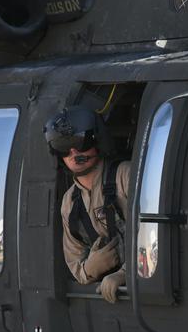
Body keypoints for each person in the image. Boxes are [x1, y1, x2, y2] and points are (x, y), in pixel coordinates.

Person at [44, 105, 130, 303]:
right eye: (64, 145)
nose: (74, 152)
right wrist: (91, 268)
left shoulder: (125, 176)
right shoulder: (69, 202)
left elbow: (153, 235)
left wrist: (124, 273)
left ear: (97, 141)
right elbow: (76, 265)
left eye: (81, 142)